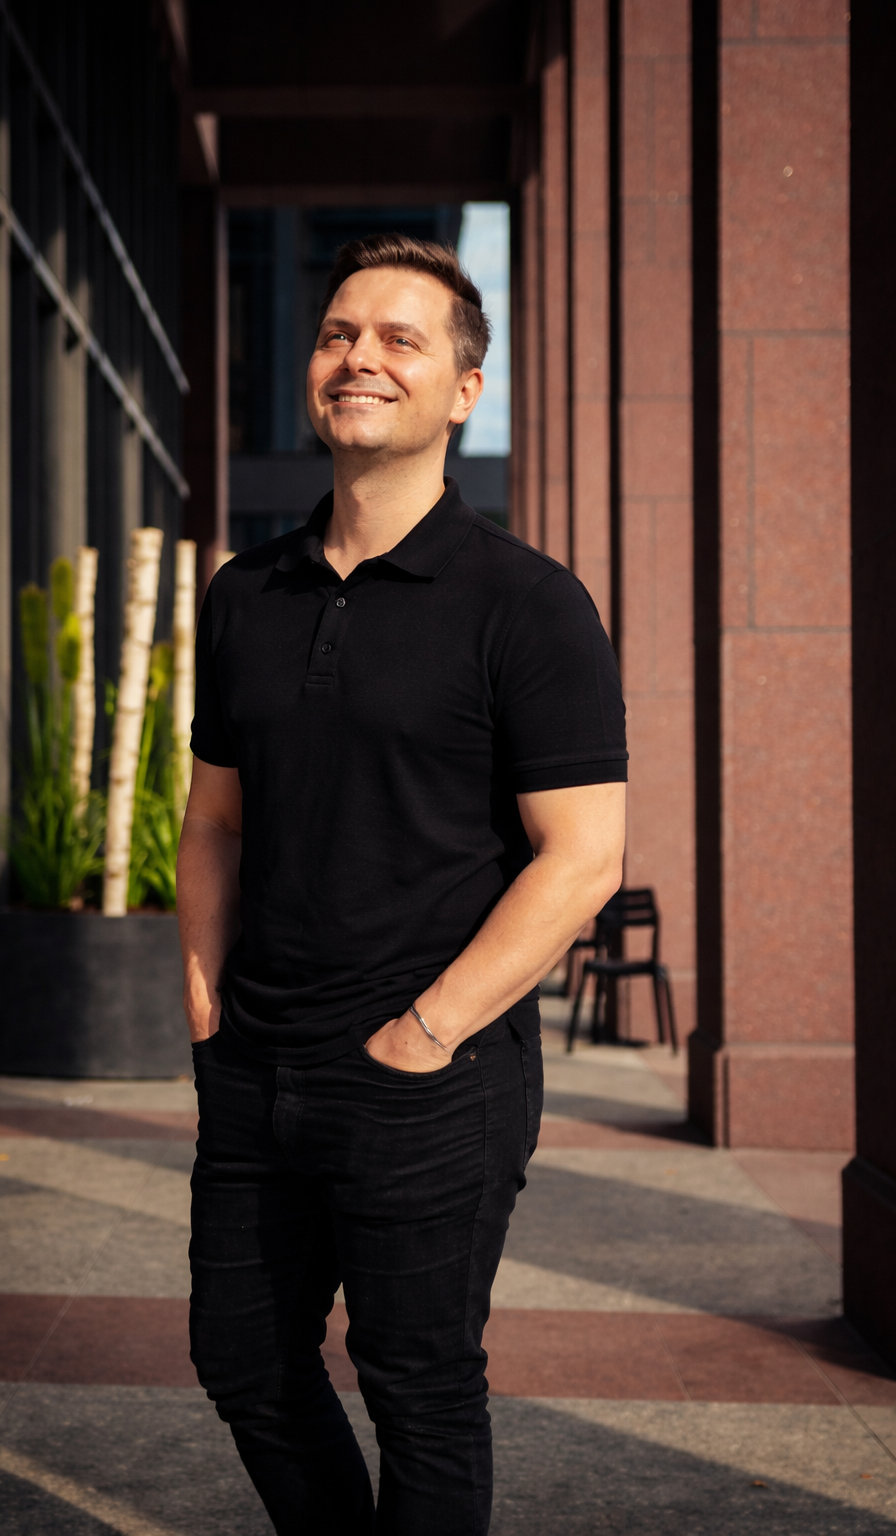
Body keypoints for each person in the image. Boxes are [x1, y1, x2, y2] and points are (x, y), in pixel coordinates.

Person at [177, 233, 627, 1536]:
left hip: (434, 1079)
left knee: (419, 1385)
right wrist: (205, 986)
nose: (357, 357)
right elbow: (214, 820)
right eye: (335, 335)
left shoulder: (527, 605)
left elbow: (584, 856)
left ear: (464, 390)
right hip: (259, 1066)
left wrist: (426, 1032)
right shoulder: (243, 594)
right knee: (242, 1360)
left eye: (399, 339)